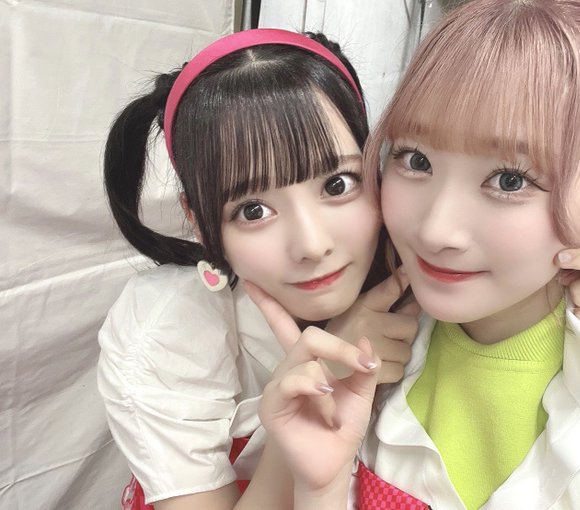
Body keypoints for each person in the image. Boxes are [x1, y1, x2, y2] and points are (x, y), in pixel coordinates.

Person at [254, 1, 580, 508]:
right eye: (416, 160)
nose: (436, 231)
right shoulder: (357, 355)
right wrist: (318, 488)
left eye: (510, 180)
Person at [98, 28, 419, 510]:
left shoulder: (423, 274)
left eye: (337, 184)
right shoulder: (168, 333)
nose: (312, 245)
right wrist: (314, 397)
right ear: (197, 219)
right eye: (253, 210)